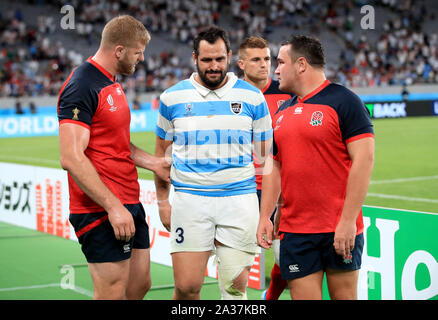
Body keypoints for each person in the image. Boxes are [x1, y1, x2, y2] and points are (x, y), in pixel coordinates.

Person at [154, 26, 272, 300]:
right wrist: (162, 202)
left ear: (229, 56)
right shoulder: (172, 98)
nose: (214, 66)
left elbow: (268, 163)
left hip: (239, 201)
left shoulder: (253, 98)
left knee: (234, 288)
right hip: (190, 202)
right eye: (207, 60)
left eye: (220, 59)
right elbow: (162, 158)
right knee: (186, 287)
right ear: (195, 58)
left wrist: (267, 211)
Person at [57, 15, 170, 300]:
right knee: (111, 293)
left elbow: (116, 143)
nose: (142, 59)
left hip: (128, 200)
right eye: (137, 52)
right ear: (118, 50)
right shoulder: (82, 84)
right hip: (101, 209)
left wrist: (153, 162)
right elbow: (71, 157)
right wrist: (112, 206)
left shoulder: (111, 82)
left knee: (139, 285)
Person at [257, 35, 375, 300]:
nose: (275, 70)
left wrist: (346, 222)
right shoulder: (282, 112)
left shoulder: (345, 101)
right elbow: (274, 166)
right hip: (296, 232)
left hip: (339, 229)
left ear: (301, 65)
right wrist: (266, 214)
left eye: (280, 62)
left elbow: (364, 160)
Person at [237, 36, 292, 300]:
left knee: (287, 259)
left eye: (268, 59)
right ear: (241, 64)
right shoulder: (231, 94)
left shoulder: (287, 92)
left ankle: (268, 298)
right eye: (256, 60)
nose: (264, 65)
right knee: (240, 263)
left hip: (283, 188)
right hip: (245, 190)